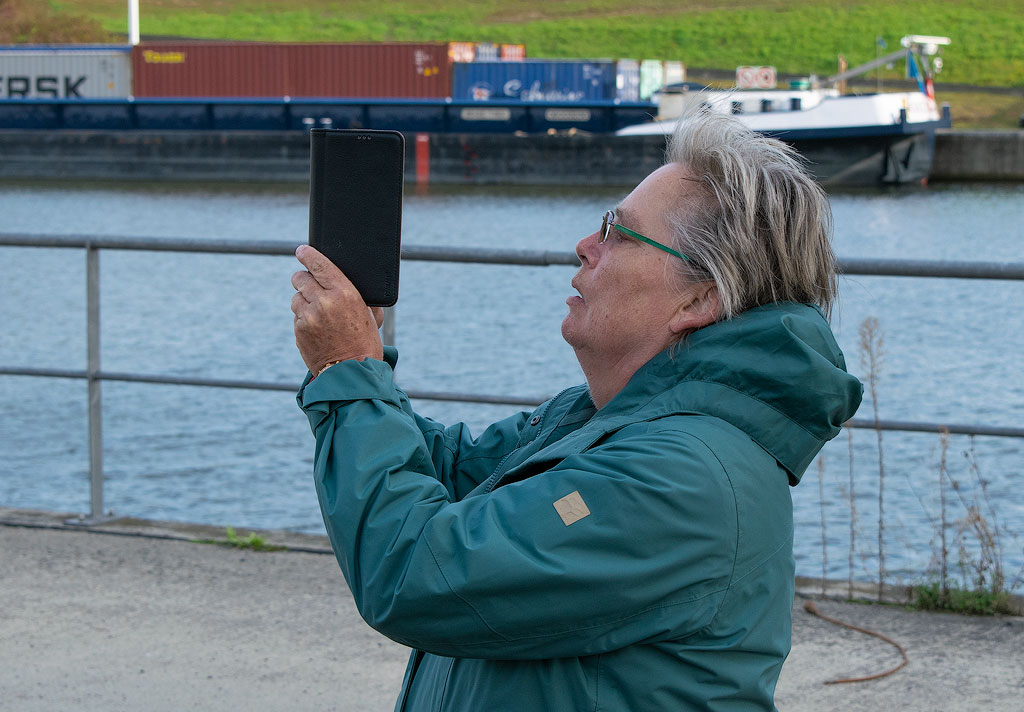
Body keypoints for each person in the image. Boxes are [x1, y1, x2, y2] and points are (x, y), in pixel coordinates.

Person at [290, 109, 863, 711]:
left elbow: (417, 574)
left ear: (702, 297)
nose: (586, 246)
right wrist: (357, 361)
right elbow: (445, 471)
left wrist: (349, 374)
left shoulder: (682, 479)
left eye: (618, 231)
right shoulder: (599, 419)